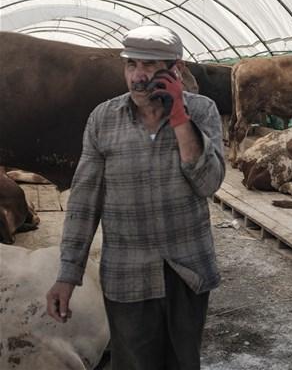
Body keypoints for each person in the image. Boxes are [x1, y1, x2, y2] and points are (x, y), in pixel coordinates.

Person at [46, 25, 225, 369]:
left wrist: (178, 118)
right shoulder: (103, 119)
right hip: (127, 275)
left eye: (150, 66)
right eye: (132, 65)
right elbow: (84, 203)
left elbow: (209, 184)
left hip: (187, 271)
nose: (138, 77)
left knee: (183, 362)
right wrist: (68, 274)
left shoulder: (201, 111)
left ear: (176, 69)